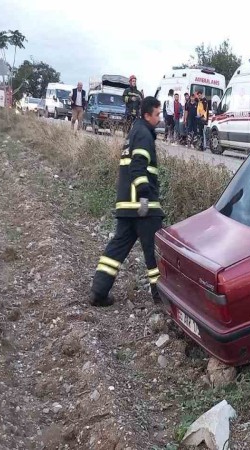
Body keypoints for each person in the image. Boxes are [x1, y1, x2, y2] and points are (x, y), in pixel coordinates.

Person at [89, 97, 164, 307]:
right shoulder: (143, 134)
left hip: (126, 205)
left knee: (116, 249)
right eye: (157, 114)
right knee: (155, 252)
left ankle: (98, 291)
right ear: (147, 115)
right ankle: (161, 297)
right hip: (141, 206)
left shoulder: (135, 132)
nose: (160, 118)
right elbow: (138, 166)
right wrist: (143, 196)